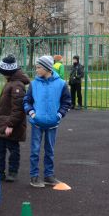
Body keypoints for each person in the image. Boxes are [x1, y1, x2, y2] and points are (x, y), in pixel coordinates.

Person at [23, 56, 71, 188]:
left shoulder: (61, 84)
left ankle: (49, 176)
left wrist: (59, 115)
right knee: (35, 150)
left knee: (50, 150)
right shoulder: (34, 84)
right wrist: (32, 113)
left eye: (38, 67)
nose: (36, 70)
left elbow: (66, 102)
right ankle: (34, 176)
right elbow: (27, 101)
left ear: (47, 68)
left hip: (52, 123)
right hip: (37, 123)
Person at [0, 55, 30, 182]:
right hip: (2, 122)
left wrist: (10, 125)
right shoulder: (10, 82)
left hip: (11, 125)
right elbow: (6, 104)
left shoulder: (17, 86)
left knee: (13, 149)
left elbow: (18, 108)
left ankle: (13, 172)